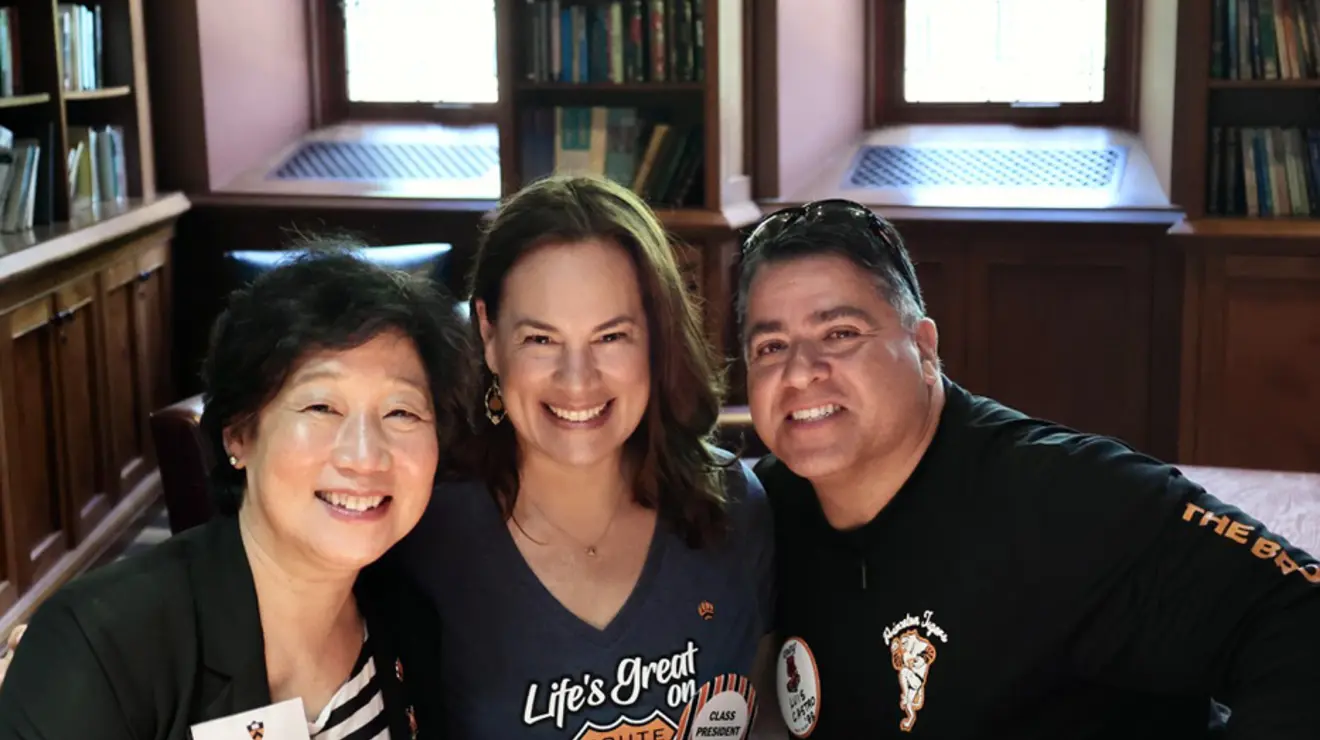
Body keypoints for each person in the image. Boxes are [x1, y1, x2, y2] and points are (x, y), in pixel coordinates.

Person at [738, 199, 1320, 739]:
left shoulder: (1069, 498)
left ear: (924, 349)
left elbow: (1300, 614)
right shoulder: (757, 510)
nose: (800, 372)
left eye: (840, 334)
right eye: (771, 347)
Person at [0, 247, 474, 740]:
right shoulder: (102, 651)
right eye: (320, 406)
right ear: (238, 435)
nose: (364, 455)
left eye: (402, 413)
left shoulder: (409, 621)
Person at [398, 174, 776, 740]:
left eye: (611, 336)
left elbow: (767, 718)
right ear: (489, 333)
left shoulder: (732, 506)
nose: (578, 380)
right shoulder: (423, 531)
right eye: (541, 339)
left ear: (656, 336)